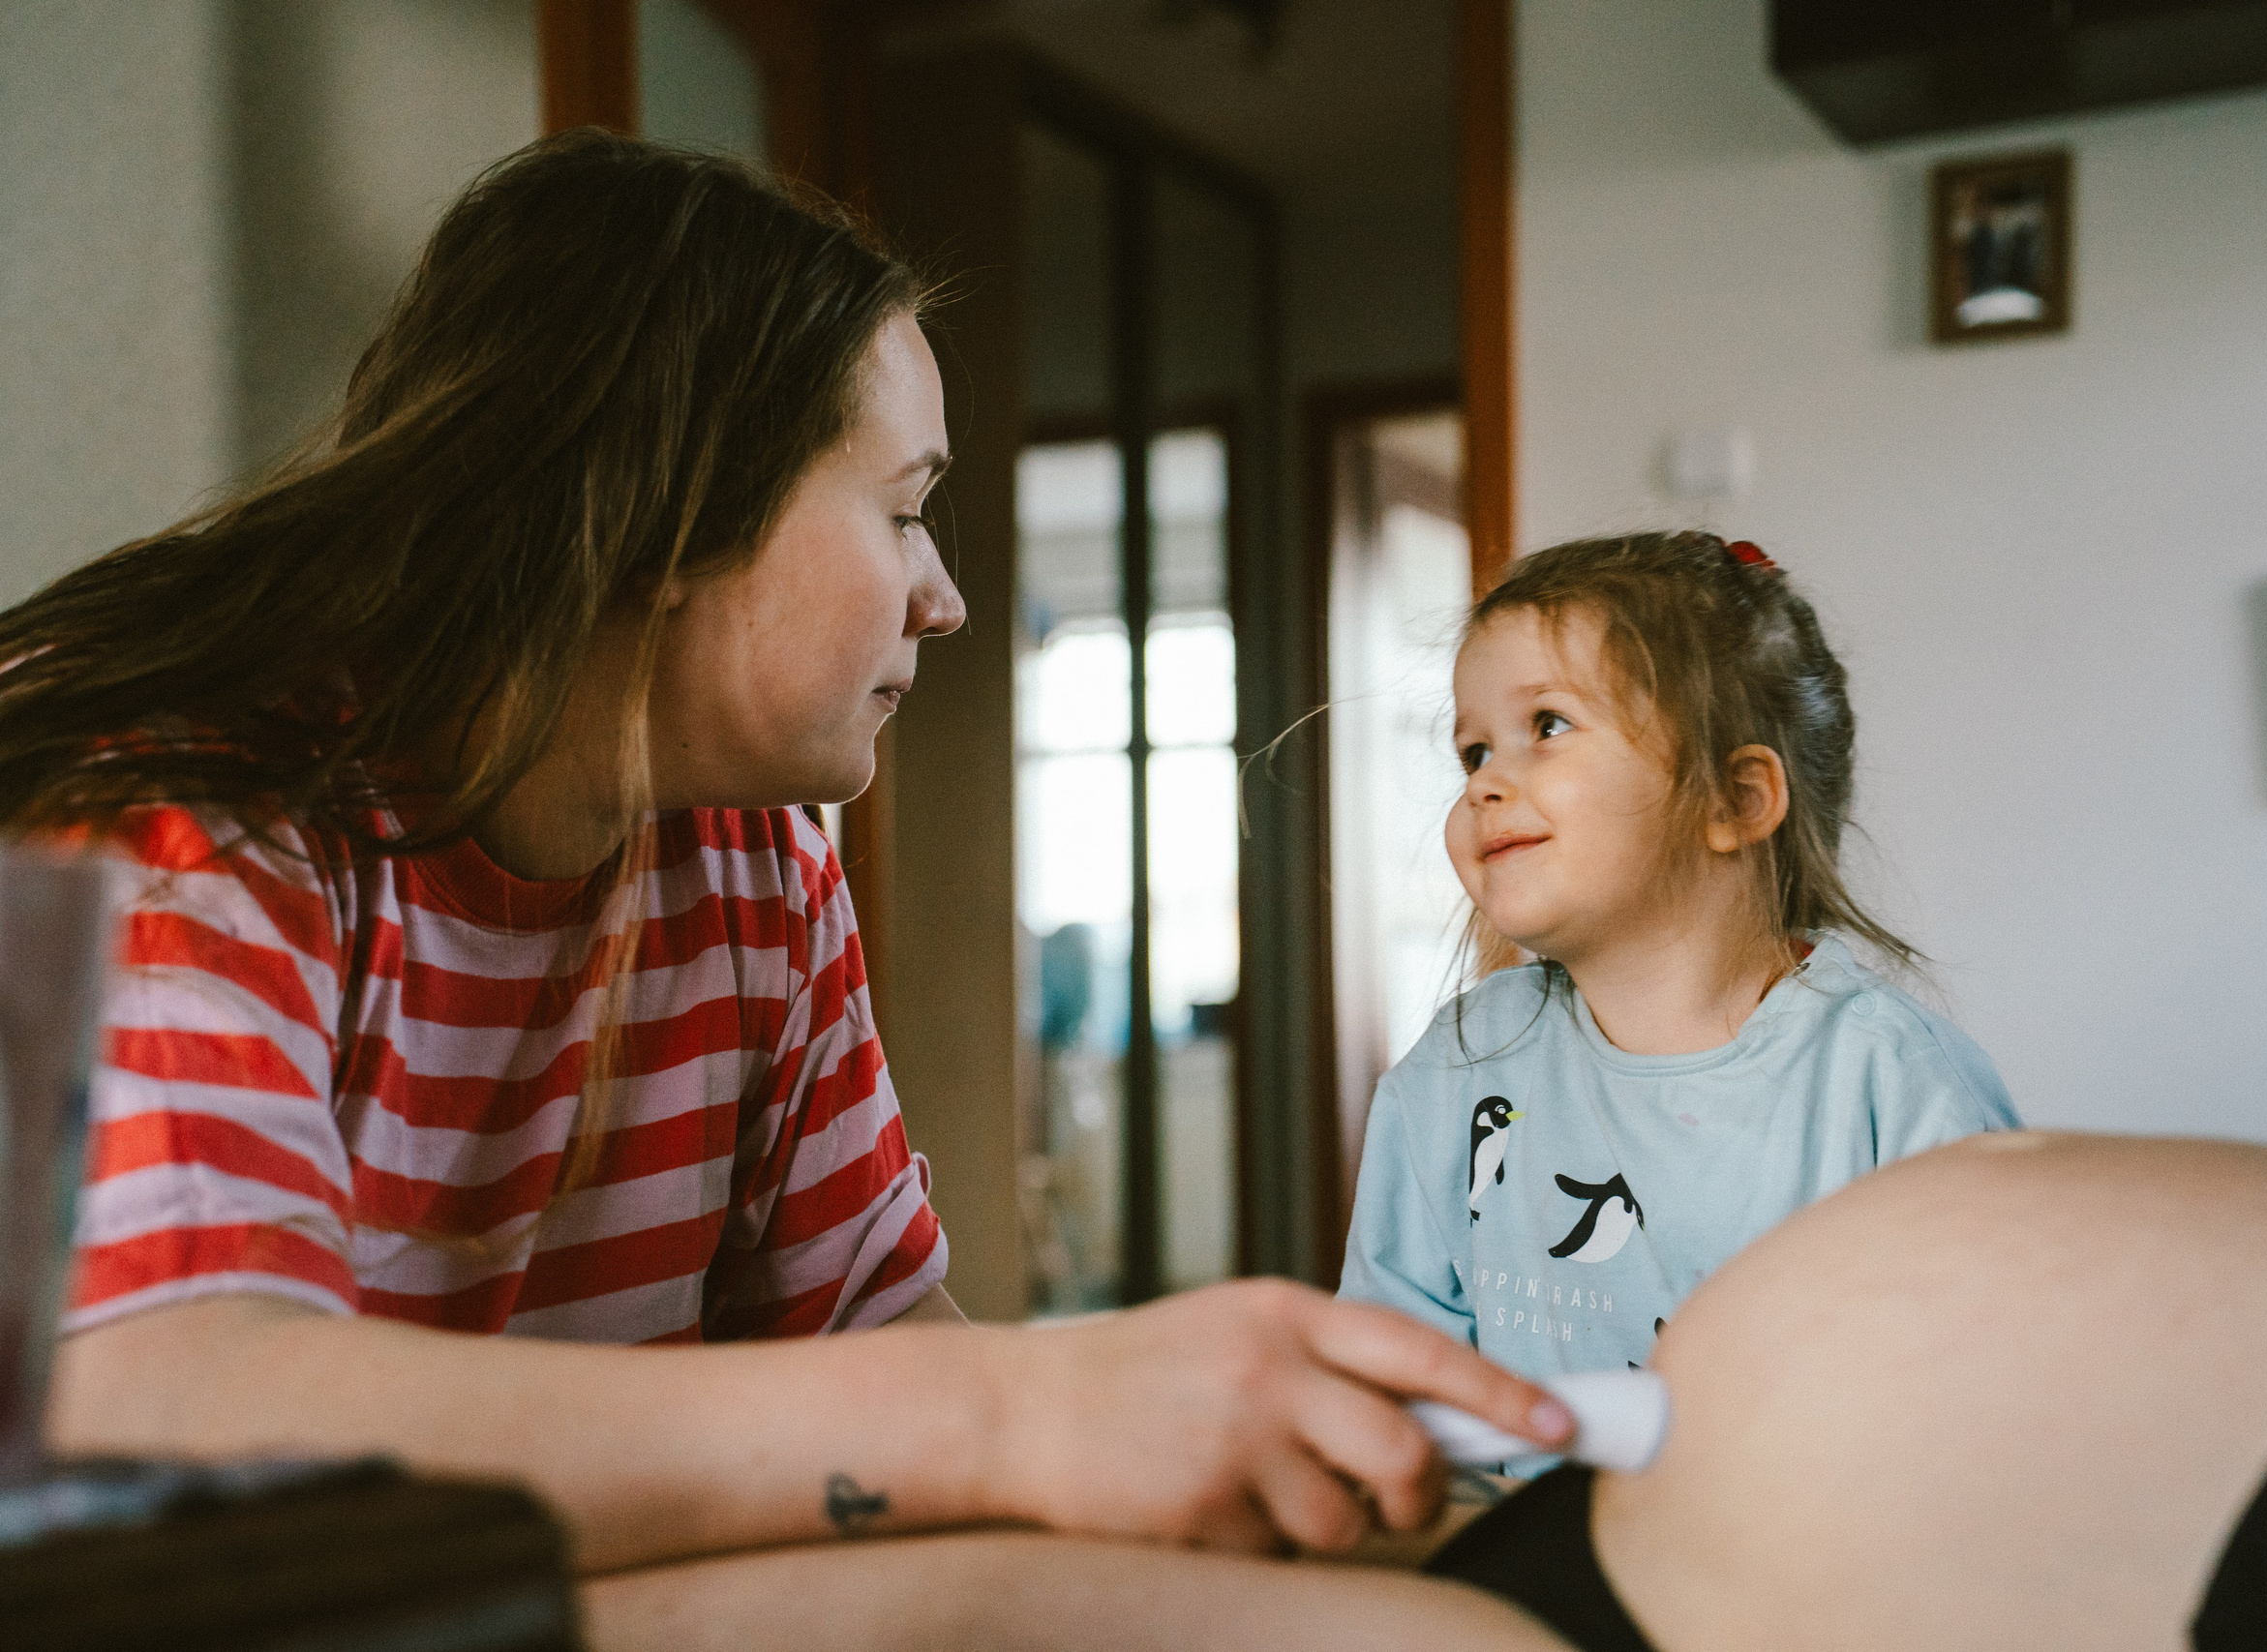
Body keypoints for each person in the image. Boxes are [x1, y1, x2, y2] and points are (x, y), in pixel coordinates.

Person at [21, 130, 1580, 1644]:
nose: (947, 595)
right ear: (670, 515)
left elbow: (872, 1333)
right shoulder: (196, 819)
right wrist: (1022, 1412)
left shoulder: (751, 858)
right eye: (906, 509)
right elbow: (174, 1418)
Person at [1341, 533, 2016, 1407]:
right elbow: (1395, 1384)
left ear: (1734, 801)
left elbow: (1980, 1396)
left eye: (1546, 726)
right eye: (1473, 751)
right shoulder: (1454, 1071)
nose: (1482, 784)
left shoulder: (1892, 1084)